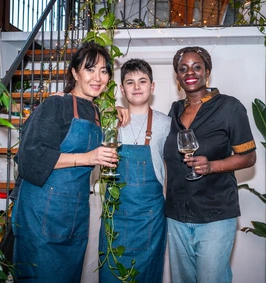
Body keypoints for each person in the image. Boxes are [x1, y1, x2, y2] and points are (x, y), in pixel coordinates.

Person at [11, 42, 127, 282]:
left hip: (73, 215)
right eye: (90, 69)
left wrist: (115, 109)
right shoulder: (56, 104)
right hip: (42, 214)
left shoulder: (94, 111)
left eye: (104, 71)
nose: (98, 77)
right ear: (75, 72)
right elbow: (30, 158)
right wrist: (88, 158)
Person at [163, 46, 257, 283]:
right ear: (177, 76)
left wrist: (211, 166)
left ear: (207, 72)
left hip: (216, 213)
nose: (190, 72)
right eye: (183, 69)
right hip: (177, 215)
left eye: (197, 67)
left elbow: (249, 157)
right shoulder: (174, 111)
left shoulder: (229, 107)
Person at [99, 58, 171, 283]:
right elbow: (85, 105)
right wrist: (110, 108)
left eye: (142, 81)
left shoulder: (166, 124)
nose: (137, 87)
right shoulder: (109, 120)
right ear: (122, 89)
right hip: (115, 217)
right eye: (130, 82)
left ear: (152, 86)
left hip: (150, 218)